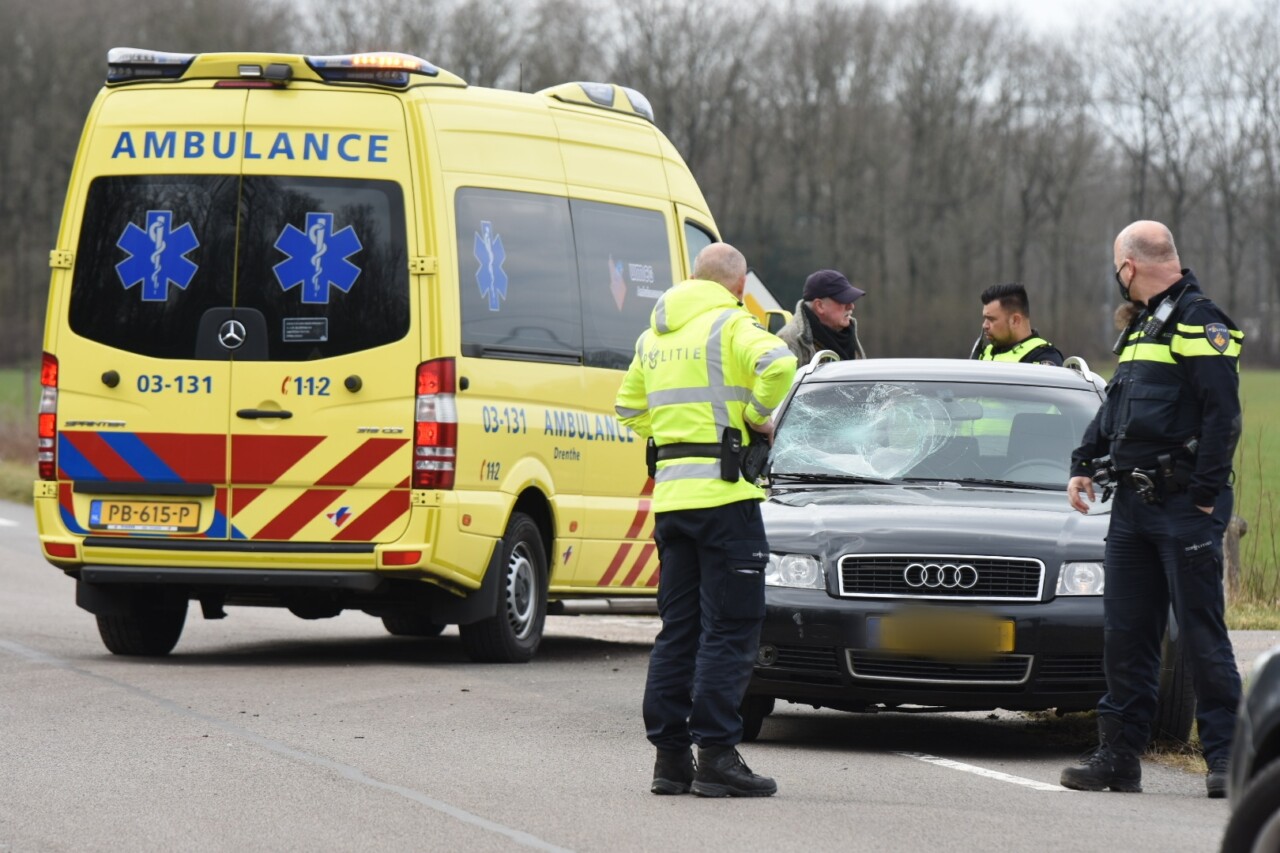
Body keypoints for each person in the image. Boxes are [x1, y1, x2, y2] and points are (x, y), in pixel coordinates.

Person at [1061, 220, 1244, 798]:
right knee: (1127, 635)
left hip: (1185, 505)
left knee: (1199, 635)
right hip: (1134, 509)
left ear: (1129, 267)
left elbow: (1223, 416)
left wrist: (1206, 494)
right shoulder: (1143, 327)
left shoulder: (1202, 322)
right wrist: (1082, 460)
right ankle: (1119, 757)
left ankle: (1226, 760)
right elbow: (1117, 405)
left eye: (1117, 269)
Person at [614, 242, 797, 798]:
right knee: (732, 626)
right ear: (737, 287)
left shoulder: (654, 335)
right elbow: (780, 363)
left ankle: (670, 760)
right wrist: (751, 417)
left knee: (680, 630)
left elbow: (627, 408)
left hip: (671, 502)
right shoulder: (730, 324)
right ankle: (716, 754)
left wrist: (675, 437)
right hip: (725, 499)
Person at [776, 269, 866, 363]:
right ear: (819, 306)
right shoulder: (788, 342)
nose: (851, 306)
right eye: (843, 300)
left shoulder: (848, 334)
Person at [970, 282, 1064, 365]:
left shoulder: (1042, 358)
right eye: (985, 319)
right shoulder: (982, 353)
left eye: (991, 319)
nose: (984, 325)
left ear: (1015, 320)